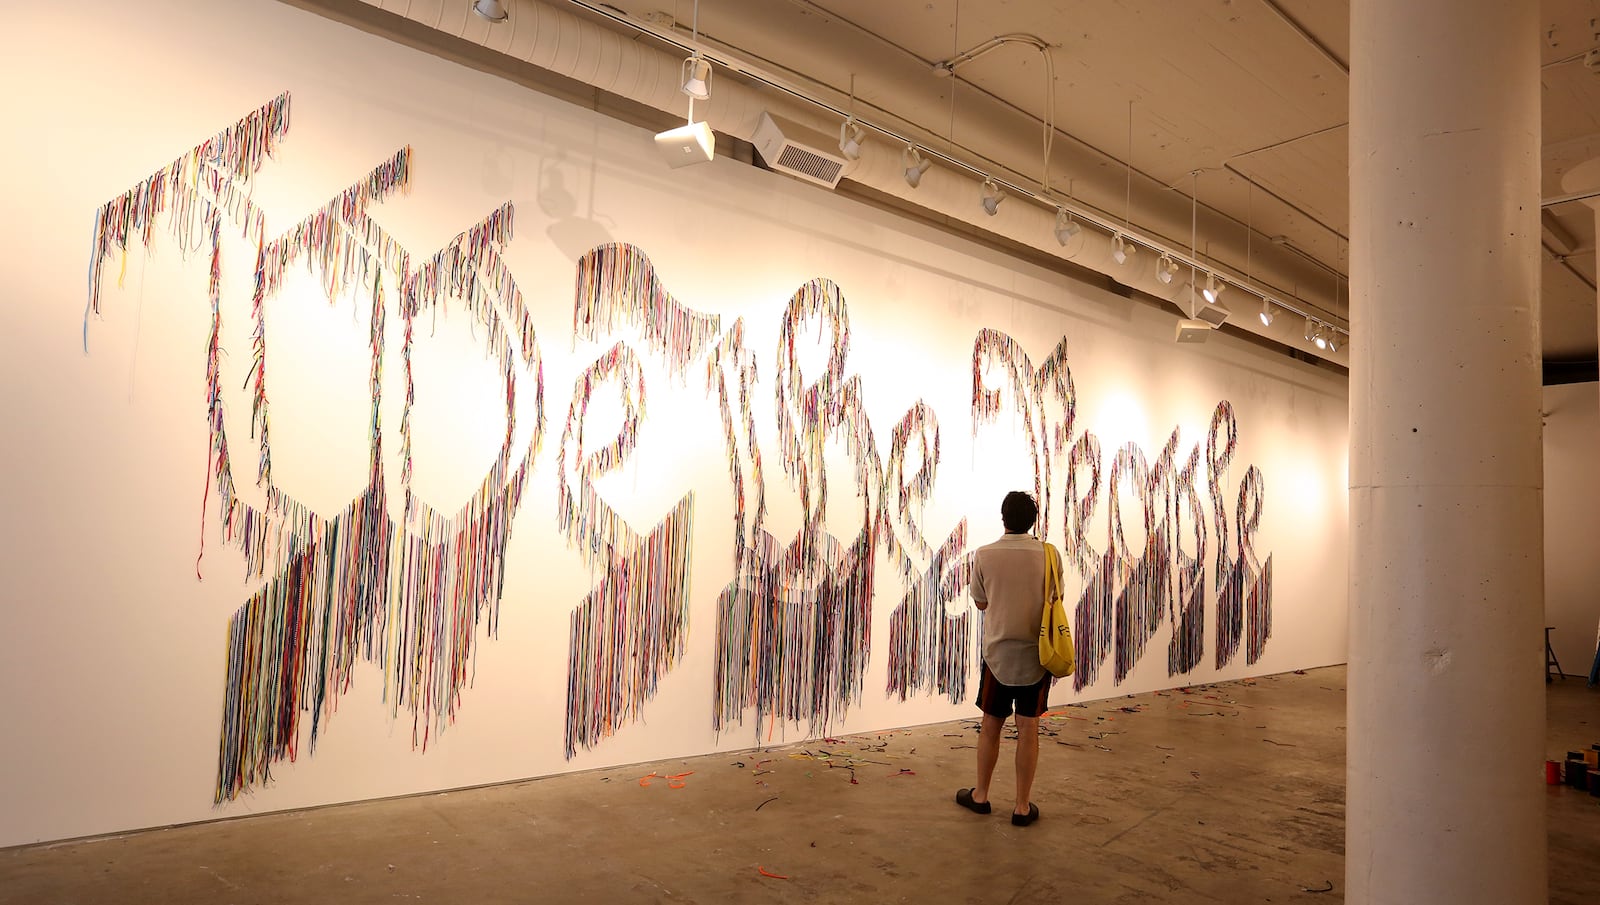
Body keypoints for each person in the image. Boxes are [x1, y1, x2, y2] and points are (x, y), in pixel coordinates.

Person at [955, 490, 1053, 827]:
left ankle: (981, 796)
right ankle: (1022, 807)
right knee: (1028, 729)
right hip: (1036, 655)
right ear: (1033, 521)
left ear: (1003, 518)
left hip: (997, 654)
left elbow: (981, 602)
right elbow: (1057, 598)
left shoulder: (985, 554)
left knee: (990, 726)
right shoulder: (1048, 555)